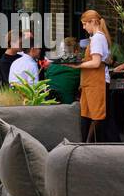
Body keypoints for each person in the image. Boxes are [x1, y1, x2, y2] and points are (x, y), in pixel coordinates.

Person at [69, 10, 112, 141]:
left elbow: (96, 62)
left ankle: (92, 145)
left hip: (97, 82)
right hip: (92, 82)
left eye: (84, 24)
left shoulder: (98, 37)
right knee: (88, 115)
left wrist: (78, 65)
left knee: (97, 116)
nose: (83, 27)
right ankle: (86, 144)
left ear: (93, 22)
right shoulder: (98, 37)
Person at [41, 36, 81, 103]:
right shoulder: (77, 69)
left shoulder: (51, 66)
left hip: (49, 104)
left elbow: (46, 82)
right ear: (76, 52)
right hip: (68, 105)